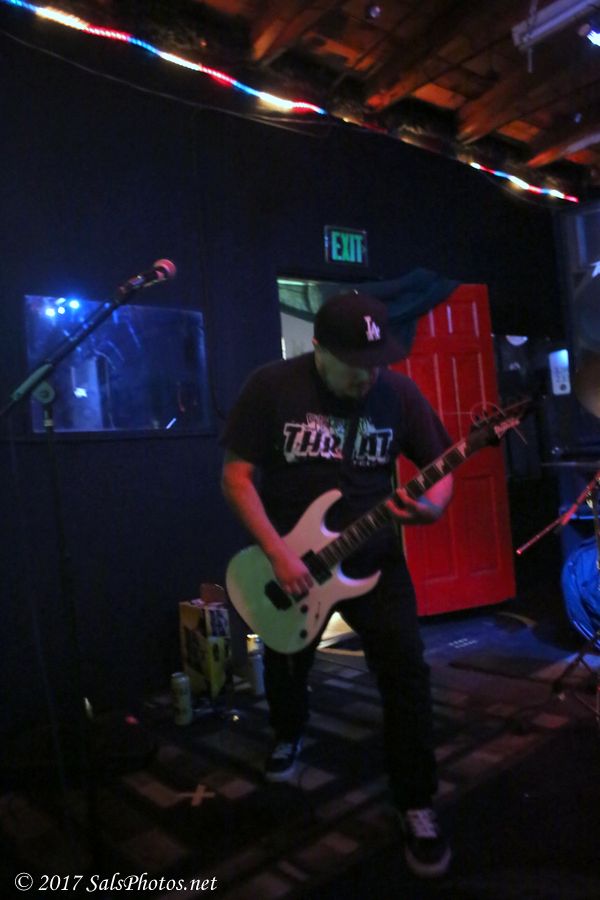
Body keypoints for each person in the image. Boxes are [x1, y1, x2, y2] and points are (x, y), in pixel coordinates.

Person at [221, 291, 454, 879]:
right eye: (354, 364)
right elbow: (236, 476)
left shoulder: (398, 394)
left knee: (406, 672)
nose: (367, 377)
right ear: (318, 348)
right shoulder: (271, 387)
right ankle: (288, 732)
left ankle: (416, 800)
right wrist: (278, 554)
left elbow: (442, 464)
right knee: (286, 658)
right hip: (293, 563)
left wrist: (431, 508)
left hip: (375, 560)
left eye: (376, 363)